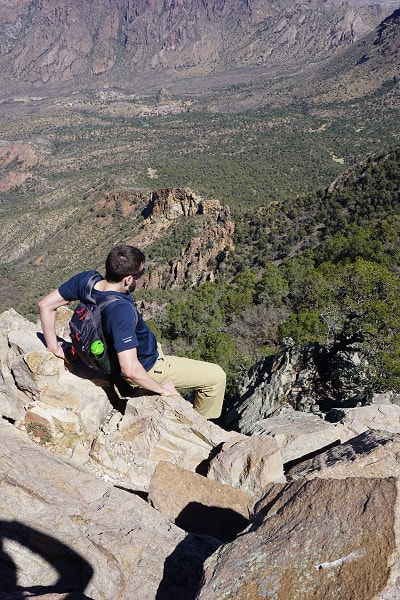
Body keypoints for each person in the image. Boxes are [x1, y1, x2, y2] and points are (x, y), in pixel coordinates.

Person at [38, 244, 225, 419]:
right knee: (216, 377)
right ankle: (199, 422)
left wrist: (54, 346)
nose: (140, 277)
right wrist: (161, 388)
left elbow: (45, 304)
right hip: (148, 365)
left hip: (109, 352)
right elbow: (130, 369)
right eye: (140, 274)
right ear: (128, 279)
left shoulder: (86, 280)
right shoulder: (121, 310)